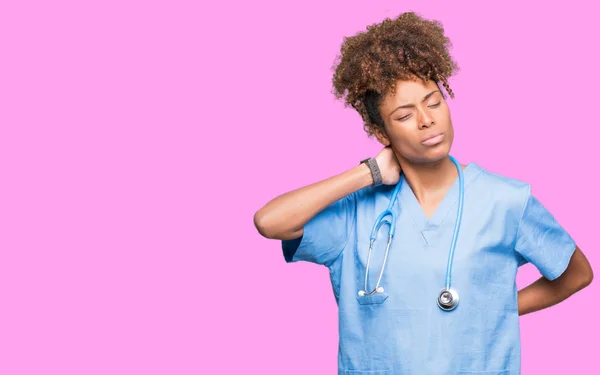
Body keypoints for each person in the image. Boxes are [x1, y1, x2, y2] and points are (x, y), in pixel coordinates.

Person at [253, 12, 593, 375]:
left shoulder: (506, 200)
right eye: (404, 115)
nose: (426, 120)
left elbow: (576, 274)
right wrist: (368, 173)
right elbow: (270, 221)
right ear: (380, 132)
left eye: (433, 102)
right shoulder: (354, 214)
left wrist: (501, 308)